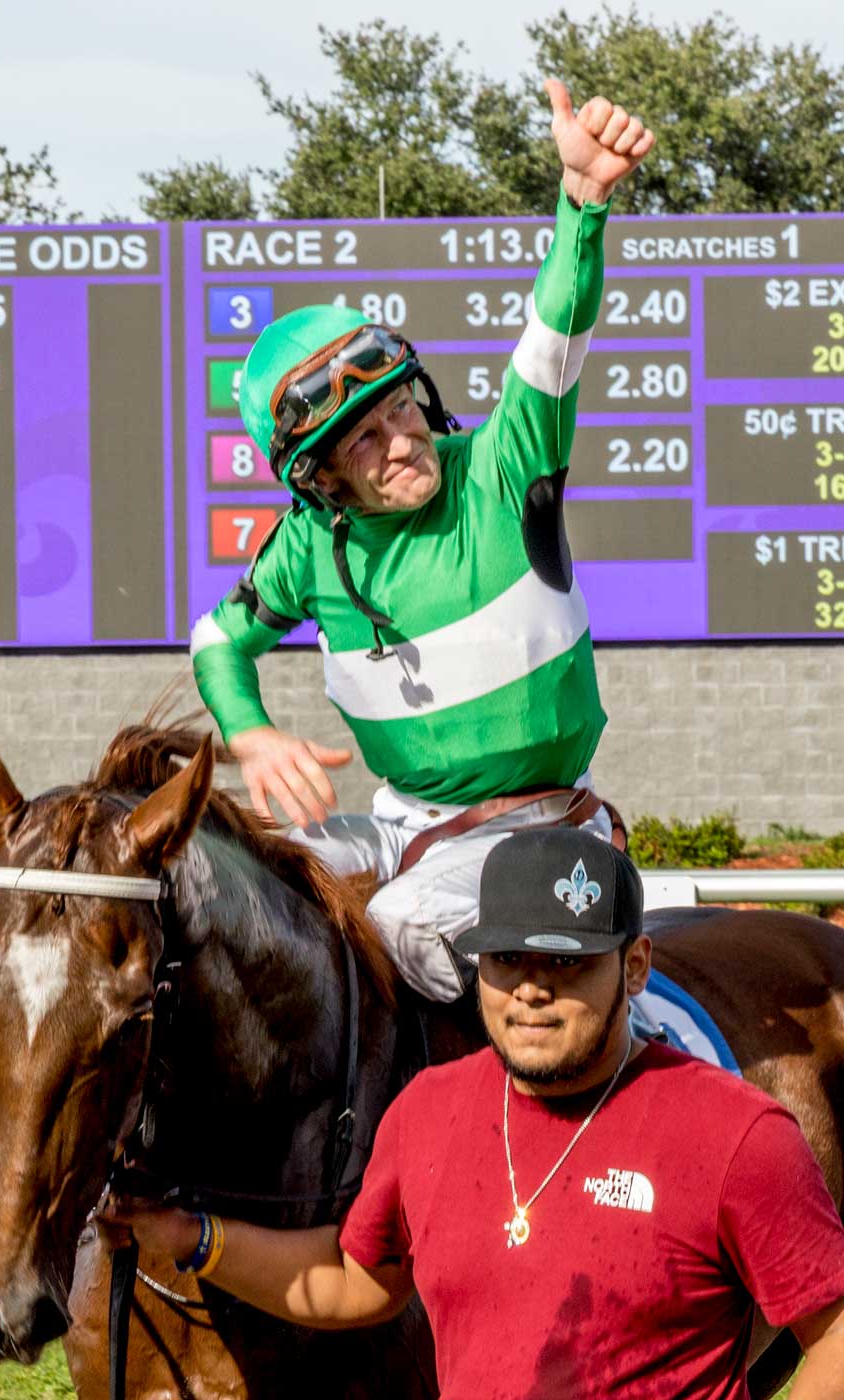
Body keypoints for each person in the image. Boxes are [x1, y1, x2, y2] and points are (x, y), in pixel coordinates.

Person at [191, 80, 653, 1003]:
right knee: (219, 880)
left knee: (396, 927)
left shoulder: (503, 460)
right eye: (363, 437)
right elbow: (217, 640)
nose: (402, 441)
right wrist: (248, 732)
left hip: (542, 824)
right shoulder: (306, 545)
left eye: (401, 407)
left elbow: (556, 329)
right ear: (321, 478)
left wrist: (584, 203)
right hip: (404, 824)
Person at [99, 828, 844, 1399]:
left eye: (567, 962)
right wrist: (192, 1236)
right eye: (507, 959)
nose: (530, 990)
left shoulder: (735, 1133)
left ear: (636, 966)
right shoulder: (428, 1111)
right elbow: (356, 1281)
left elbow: (836, 1329)